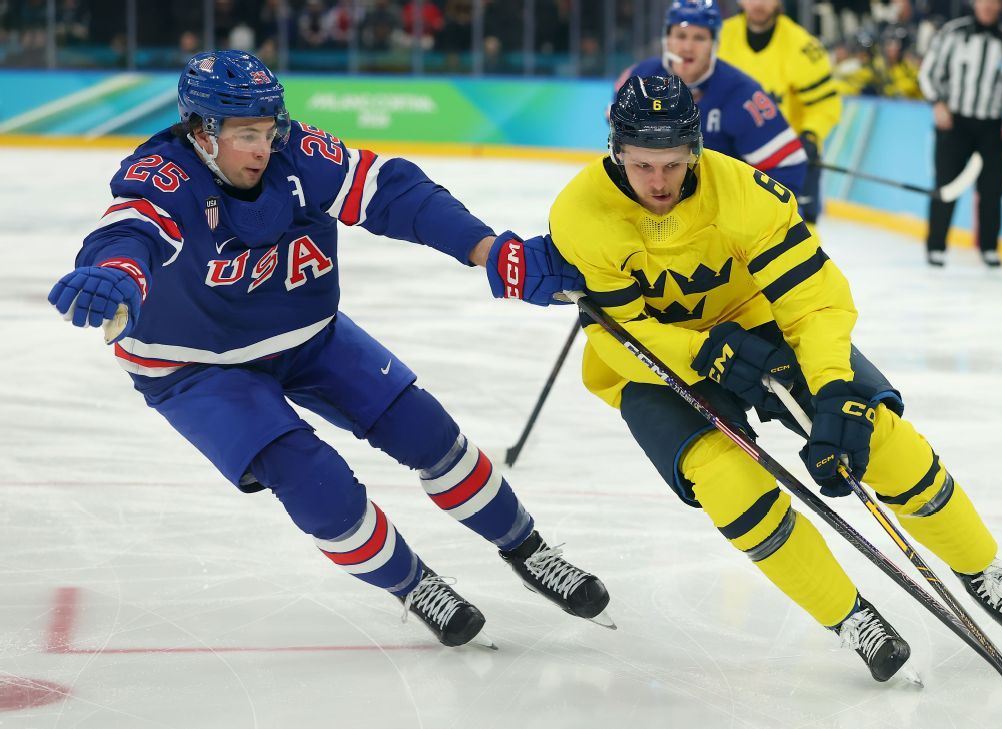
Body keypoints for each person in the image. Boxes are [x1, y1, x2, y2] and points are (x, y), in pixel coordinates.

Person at [46, 50, 611, 649]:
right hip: (195, 366)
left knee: (430, 433)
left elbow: (395, 194)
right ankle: (415, 586)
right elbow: (127, 232)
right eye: (245, 135)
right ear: (201, 133)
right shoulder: (162, 176)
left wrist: (488, 249)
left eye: (270, 129)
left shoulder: (300, 153)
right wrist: (116, 274)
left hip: (307, 335)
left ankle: (529, 550)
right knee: (317, 485)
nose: (264, 148)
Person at [547, 74, 1002, 682]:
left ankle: (982, 570)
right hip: (656, 362)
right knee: (728, 482)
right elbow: (620, 334)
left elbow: (811, 300)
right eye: (641, 166)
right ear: (616, 152)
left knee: (876, 433)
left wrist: (836, 390)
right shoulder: (579, 214)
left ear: (696, 151)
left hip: (756, 323)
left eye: (673, 165)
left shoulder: (744, 193)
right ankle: (850, 617)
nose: (658, 183)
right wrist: (705, 352)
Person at [615, 0, 808, 200]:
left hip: (722, 205)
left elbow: (788, 167)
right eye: (681, 36)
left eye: (699, 38)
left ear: (714, 44)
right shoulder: (640, 78)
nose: (687, 47)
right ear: (667, 40)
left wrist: (752, 211)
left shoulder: (741, 93)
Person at [918, 0, 1002, 268]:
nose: (988, 5)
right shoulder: (953, 33)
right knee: (946, 185)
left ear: (1001, 6)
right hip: (954, 122)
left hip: (991, 126)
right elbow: (928, 73)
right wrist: (937, 103)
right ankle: (936, 246)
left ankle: (989, 247)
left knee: (993, 189)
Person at [718, 0, 839, 227]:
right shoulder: (718, 38)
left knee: (800, 234)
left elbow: (824, 105)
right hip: (731, 158)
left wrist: (811, 135)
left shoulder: (803, 46)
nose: (758, 3)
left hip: (788, 158)